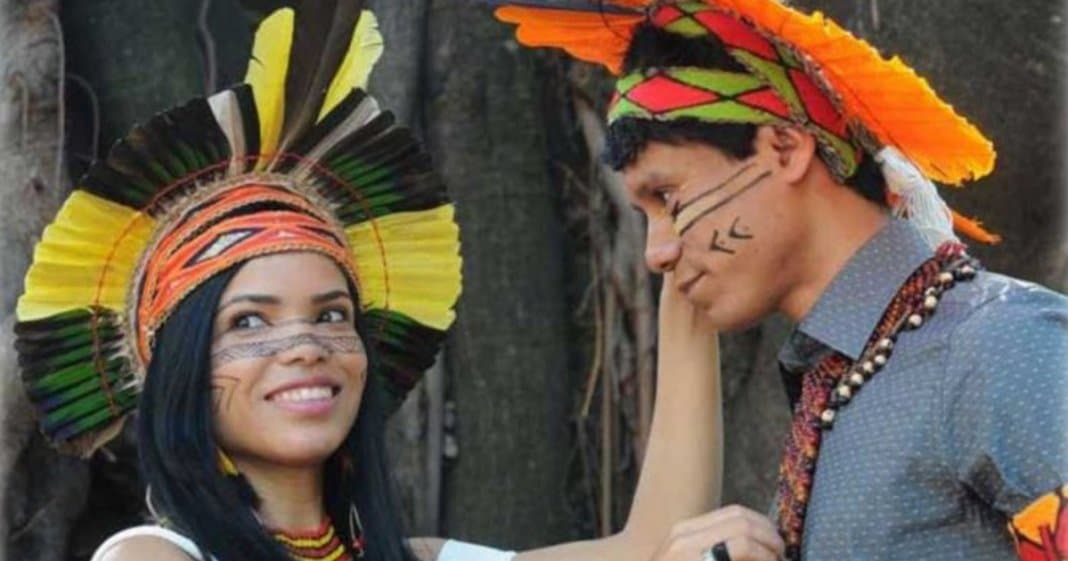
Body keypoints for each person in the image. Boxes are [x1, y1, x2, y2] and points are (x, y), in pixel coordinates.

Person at [13, 2, 781, 560]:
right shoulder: (153, 554)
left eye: (332, 314)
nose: (306, 345)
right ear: (179, 366)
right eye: (248, 321)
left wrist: (685, 264)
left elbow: (653, 548)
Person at [492, 1, 1068, 560]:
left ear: (784, 149)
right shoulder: (845, 384)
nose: (656, 253)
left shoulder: (997, 346)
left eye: (668, 197)